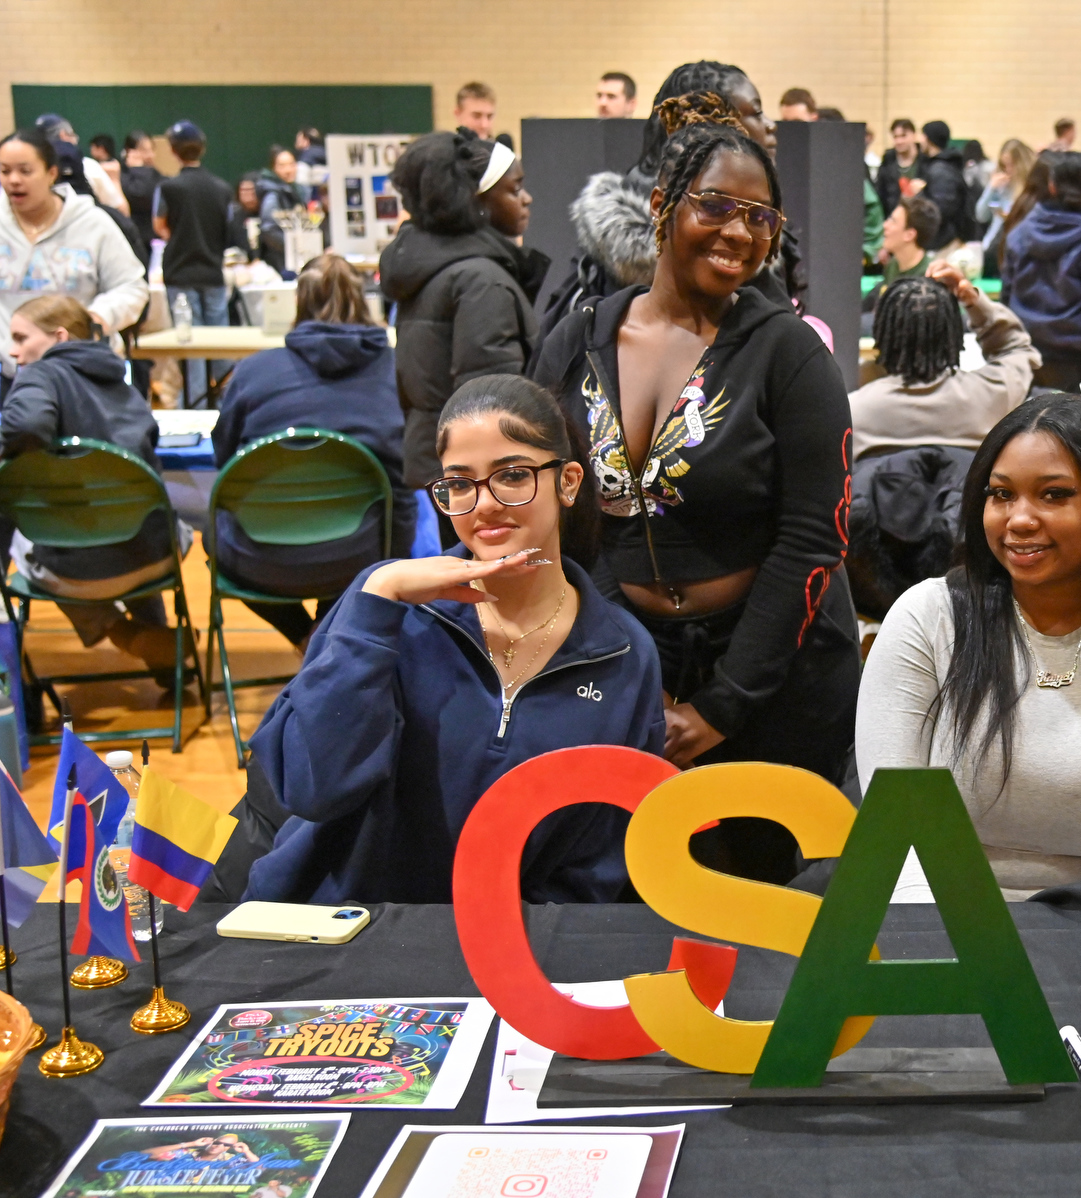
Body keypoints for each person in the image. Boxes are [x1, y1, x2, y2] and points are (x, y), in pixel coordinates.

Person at [532, 97, 858, 883]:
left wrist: (723, 704)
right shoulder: (576, 341)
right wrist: (624, 658)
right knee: (632, 885)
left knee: (764, 894)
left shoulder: (789, 355)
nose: (738, 232)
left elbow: (813, 538)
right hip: (618, 655)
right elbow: (556, 510)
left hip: (773, 668)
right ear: (661, 204)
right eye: (715, 206)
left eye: (760, 218)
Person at [242, 375, 665, 905]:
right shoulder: (387, 606)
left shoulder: (623, 652)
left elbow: (602, 855)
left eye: (512, 475)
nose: (483, 504)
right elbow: (313, 789)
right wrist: (377, 599)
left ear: (569, 481)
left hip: (511, 940)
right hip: (346, 928)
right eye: (460, 484)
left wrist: (511, 938)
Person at [858, 393, 1081, 901]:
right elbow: (894, 831)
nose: (1019, 519)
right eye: (1001, 494)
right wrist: (964, 944)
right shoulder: (927, 618)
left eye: (1053, 495)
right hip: (940, 926)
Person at [212, 254, 414, 648]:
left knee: (212, 540)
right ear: (363, 299)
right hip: (362, 558)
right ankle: (326, 636)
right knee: (362, 543)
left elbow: (225, 462)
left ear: (298, 302)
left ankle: (306, 638)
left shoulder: (251, 372)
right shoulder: (397, 371)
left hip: (258, 557)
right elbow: (404, 479)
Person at [540, 61, 797, 350]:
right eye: (713, 208)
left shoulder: (755, 262)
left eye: (756, 216)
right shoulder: (590, 323)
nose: (770, 125)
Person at [3, 296, 177, 674]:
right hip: (157, 559)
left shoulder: (40, 373)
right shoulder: (122, 380)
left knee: (19, 533)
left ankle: (124, 633)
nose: (13, 351)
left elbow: (27, 426)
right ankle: (161, 652)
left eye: (20, 338)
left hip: (80, 573)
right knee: (131, 521)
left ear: (59, 336)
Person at [381, 130, 543, 494]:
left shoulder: (438, 266)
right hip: (480, 477)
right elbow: (490, 401)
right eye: (515, 189)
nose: (527, 198)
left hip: (449, 464)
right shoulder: (481, 281)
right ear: (477, 201)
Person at [1, 127, 148, 384]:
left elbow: (132, 287)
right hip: (11, 375)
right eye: (4, 171)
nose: (14, 180)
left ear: (51, 173)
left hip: (84, 374)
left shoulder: (93, 223)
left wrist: (95, 319)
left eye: (25, 171)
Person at [852, 264, 1038, 460]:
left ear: (883, 334)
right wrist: (975, 302)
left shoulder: (854, 412)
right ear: (953, 333)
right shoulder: (992, 395)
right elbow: (1017, 348)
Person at [1001, 151, 1081, 391]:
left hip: (1026, 353)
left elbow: (1007, 295)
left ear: (1051, 186)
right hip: (1080, 361)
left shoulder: (1019, 233)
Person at [152, 120, 233, 404]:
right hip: (213, 272)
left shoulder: (168, 188)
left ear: (173, 151)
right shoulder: (222, 188)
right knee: (221, 344)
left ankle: (196, 408)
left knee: (191, 343)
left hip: (180, 272)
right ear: (203, 149)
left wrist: (181, 237)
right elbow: (227, 228)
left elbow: (159, 225)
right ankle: (227, 403)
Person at [35, 114, 128, 215]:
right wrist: (114, 180)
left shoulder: (34, 170)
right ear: (63, 135)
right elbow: (121, 210)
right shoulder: (89, 166)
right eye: (73, 134)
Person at [975, 139, 1035, 263]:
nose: (1008, 170)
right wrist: (991, 188)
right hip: (992, 246)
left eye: (1012, 165)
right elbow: (981, 215)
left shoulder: (1030, 190)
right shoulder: (1001, 186)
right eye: (1004, 165)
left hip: (1013, 250)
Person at [917, 121, 968, 250]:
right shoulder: (938, 166)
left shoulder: (940, 171)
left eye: (923, 136)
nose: (920, 140)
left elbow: (940, 210)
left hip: (941, 243)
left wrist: (919, 194)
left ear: (929, 139)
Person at [256, 146, 307, 270]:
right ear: (273, 168)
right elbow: (269, 230)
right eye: (282, 166)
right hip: (279, 262)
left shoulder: (297, 191)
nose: (288, 170)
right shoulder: (272, 195)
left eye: (291, 164)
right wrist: (293, 246)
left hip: (297, 257)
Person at [118, 131, 160, 247]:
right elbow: (141, 195)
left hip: (155, 238)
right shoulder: (121, 175)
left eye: (152, 150)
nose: (150, 155)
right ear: (130, 152)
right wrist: (138, 169)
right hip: (134, 239)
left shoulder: (154, 173)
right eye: (145, 151)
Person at [874, 118, 923, 216]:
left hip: (919, 216)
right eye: (895, 137)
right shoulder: (888, 161)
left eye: (903, 136)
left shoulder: (924, 160)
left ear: (914, 135)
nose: (899, 141)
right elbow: (880, 192)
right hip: (893, 215)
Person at [227, 173, 262, 258]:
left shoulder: (269, 216)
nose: (247, 195)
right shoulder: (234, 217)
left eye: (251, 190)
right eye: (243, 190)